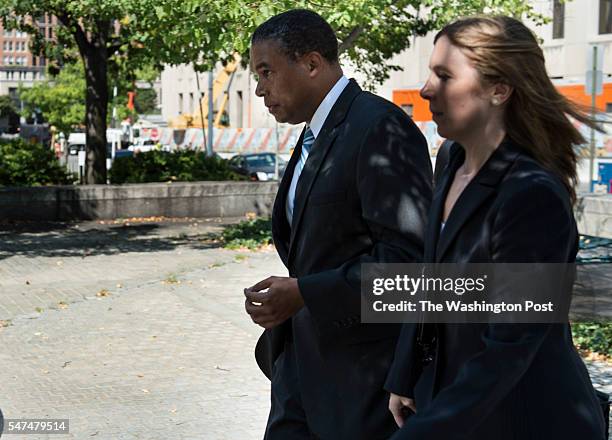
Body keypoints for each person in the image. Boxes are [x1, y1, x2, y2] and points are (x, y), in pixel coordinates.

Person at [385, 16, 606, 440]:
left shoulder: (531, 194)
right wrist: (404, 372)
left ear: (499, 89)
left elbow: (508, 348)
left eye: (444, 75)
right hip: (457, 404)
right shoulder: (451, 159)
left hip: (525, 418)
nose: (427, 89)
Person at [243, 9, 433, 440]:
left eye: (266, 71)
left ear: (311, 64)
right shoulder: (316, 133)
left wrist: (306, 293)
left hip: (361, 384)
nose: (259, 89)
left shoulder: (380, 128)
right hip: (300, 371)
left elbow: (407, 265)